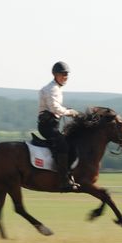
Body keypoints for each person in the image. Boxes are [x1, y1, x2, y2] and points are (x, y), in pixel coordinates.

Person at [38, 61, 80, 191]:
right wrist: (70, 113)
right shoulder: (52, 89)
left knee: (71, 146)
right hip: (48, 125)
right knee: (63, 146)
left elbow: (56, 108)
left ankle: (67, 175)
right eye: (62, 74)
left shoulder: (56, 88)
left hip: (52, 124)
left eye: (66, 74)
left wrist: (68, 110)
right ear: (55, 75)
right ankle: (63, 181)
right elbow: (55, 108)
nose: (65, 77)